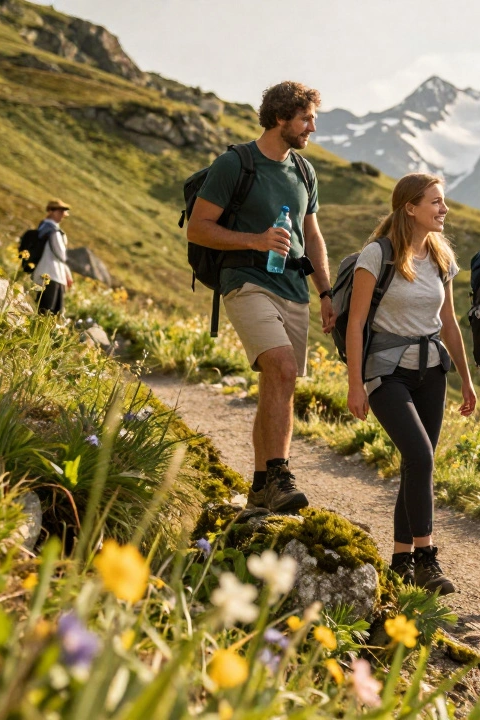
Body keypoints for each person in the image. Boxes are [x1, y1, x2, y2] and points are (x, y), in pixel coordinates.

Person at [186, 81, 335, 513]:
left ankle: (260, 486)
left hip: (294, 288)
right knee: (282, 367)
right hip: (245, 280)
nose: (312, 128)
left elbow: (313, 236)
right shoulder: (236, 163)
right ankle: (280, 474)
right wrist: (255, 241)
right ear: (280, 117)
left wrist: (326, 290)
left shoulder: (305, 171)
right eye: (306, 119)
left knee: (280, 381)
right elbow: (198, 228)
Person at [344, 173, 477, 595]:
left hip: (432, 371)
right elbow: (356, 323)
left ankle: (400, 560)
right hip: (386, 371)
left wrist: (468, 383)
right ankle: (427, 558)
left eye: (444, 202)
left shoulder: (441, 258)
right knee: (420, 456)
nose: (444, 209)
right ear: (411, 208)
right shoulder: (376, 255)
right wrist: (354, 384)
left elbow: (450, 323)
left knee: (415, 464)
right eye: (436, 202)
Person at [34, 199, 73, 315]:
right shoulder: (53, 231)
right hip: (51, 275)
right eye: (59, 211)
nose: (62, 214)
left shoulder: (45, 227)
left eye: (63, 211)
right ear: (51, 211)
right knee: (48, 312)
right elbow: (61, 254)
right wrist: (67, 272)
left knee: (48, 312)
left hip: (52, 274)